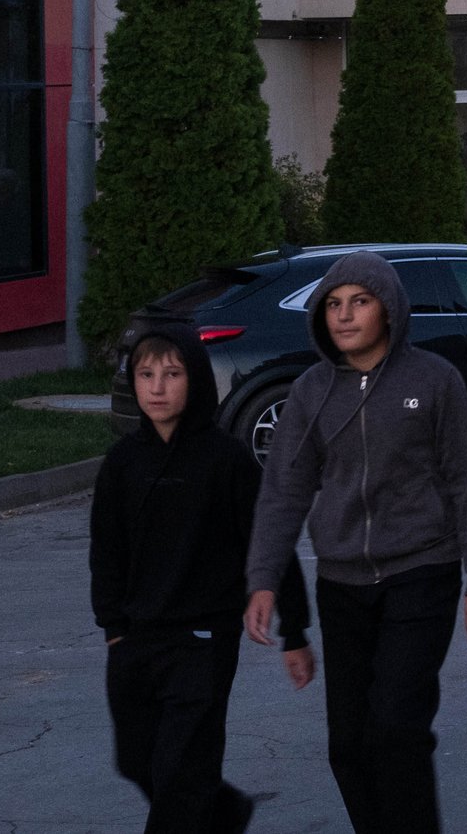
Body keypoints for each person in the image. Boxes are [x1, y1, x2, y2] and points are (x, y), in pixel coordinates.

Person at [244, 252, 467, 834]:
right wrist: (262, 579)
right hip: (342, 585)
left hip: (422, 573)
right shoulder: (310, 391)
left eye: (359, 302)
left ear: (388, 309)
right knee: (349, 745)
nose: (344, 315)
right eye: (333, 304)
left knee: (396, 729)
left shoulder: (434, 380)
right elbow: (283, 492)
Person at [91, 320, 311, 834]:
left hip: (203, 640)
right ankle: (226, 812)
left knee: (181, 771)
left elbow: (269, 542)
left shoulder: (225, 460)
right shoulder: (122, 462)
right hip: (135, 639)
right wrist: (114, 628)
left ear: (196, 379)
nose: (158, 387)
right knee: (138, 761)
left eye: (172, 374)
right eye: (146, 375)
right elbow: (106, 550)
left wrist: (295, 628)